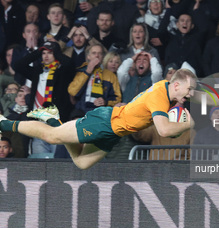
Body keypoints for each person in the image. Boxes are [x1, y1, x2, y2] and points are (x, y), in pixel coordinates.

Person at [0, 69, 198, 169]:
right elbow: (163, 131)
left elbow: (196, 93)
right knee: (52, 137)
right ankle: (5, 123)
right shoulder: (159, 97)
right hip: (106, 122)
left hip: (114, 132)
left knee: (82, 163)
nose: (190, 95)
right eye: (189, 90)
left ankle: (54, 119)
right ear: (177, 86)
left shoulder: (166, 86)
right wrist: (189, 123)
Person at [13, 41, 74, 155]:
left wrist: (56, 51)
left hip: (57, 123)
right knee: (39, 159)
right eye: (44, 53)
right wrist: (38, 51)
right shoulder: (37, 71)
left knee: (57, 161)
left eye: (50, 53)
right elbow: (17, 65)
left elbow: (70, 64)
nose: (46, 56)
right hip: (38, 123)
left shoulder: (62, 72)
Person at [68, 44, 122, 113]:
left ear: (103, 57)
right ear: (88, 56)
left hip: (100, 113)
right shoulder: (81, 72)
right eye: (94, 53)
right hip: (81, 113)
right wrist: (88, 72)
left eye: (100, 53)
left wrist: (106, 101)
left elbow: (117, 98)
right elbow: (72, 91)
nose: (97, 56)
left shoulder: (110, 75)